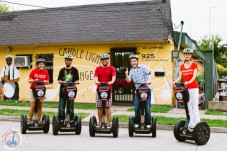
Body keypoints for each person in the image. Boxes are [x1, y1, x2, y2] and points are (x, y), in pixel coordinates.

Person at [173, 48, 200, 132]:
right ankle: (191, 125)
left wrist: (189, 82)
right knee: (188, 107)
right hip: (186, 89)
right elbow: (180, 77)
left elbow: (194, 76)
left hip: (194, 88)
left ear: (191, 55)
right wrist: (175, 81)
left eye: (189, 54)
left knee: (194, 106)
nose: (187, 55)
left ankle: (197, 124)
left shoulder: (194, 64)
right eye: (185, 54)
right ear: (184, 55)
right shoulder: (182, 66)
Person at [125, 54, 153, 129]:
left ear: (137, 61)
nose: (133, 62)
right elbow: (128, 81)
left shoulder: (143, 67)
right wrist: (126, 74)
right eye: (131, 61)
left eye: (134, 61)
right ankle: (137, 122)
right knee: (136, 107)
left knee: (147, 107)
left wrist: (149, 80)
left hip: (146, 90)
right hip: (138, 91)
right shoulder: (131, 70)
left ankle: (148, 123)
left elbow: (151, 73)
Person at [94, 54, 116, 127]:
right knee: (99, 106)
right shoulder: (98, 68)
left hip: (108, 90)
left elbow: (113, 77)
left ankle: (108, 122)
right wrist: (96, 81)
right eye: (103, 59)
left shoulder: (112, 68)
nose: (104, 61)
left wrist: (111, 81)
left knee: (108, 106)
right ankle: (100, 122)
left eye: (106, 59)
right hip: (99, 90)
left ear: (108, 60)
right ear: (101, 60)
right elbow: (96, 77)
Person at [58, 54, 79, 126]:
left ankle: (71, 121)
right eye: (67, 60)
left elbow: (77, 80)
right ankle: (61, 121)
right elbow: (59, 80)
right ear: (65, 61)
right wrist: (61, 81)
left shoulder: (75, 70)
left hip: (71, 91)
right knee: (61, 107)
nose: (68, 61)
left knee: (70, 107)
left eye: (69, 60)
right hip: (63, 91)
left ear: (71, 61)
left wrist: (76, 82)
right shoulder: (62, 70)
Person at [28, 58, 49, 124]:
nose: (41, 65)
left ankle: (38, 120)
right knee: (33, 105)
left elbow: (47, 81)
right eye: (40, 64)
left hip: (41, 90)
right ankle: (30, 120)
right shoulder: (34, 71)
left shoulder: (46, 72)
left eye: (42, 64)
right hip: (33, 89)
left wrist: (46, 81)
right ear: (38, 65)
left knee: (40, 105)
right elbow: (29, 80)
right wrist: (33, 80)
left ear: (44, 65)